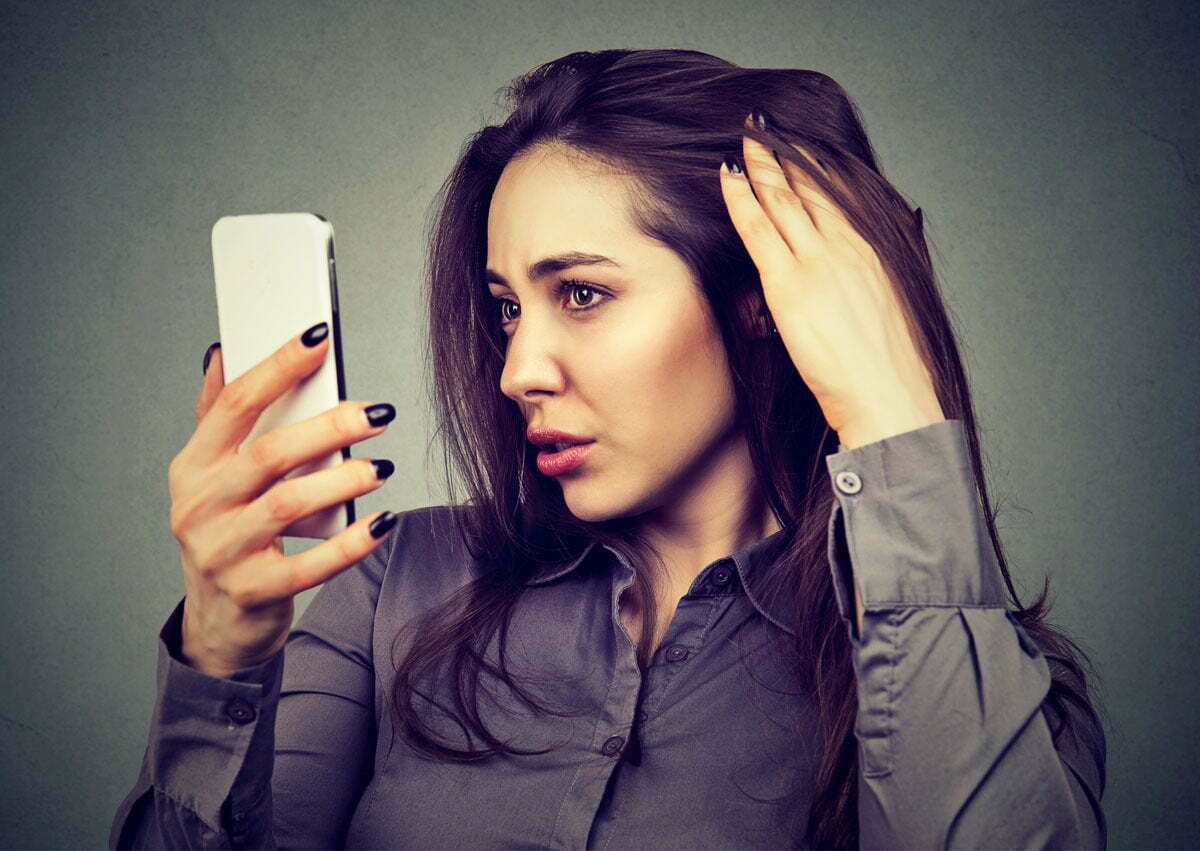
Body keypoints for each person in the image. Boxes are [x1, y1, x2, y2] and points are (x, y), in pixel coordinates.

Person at [109, 49, 1107, 849]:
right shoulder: (394, 584)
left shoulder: (983, 680)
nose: (516, 369)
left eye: (582, 293)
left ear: (762, 298)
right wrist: (220, 655)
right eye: (508, 307)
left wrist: (894, 414)